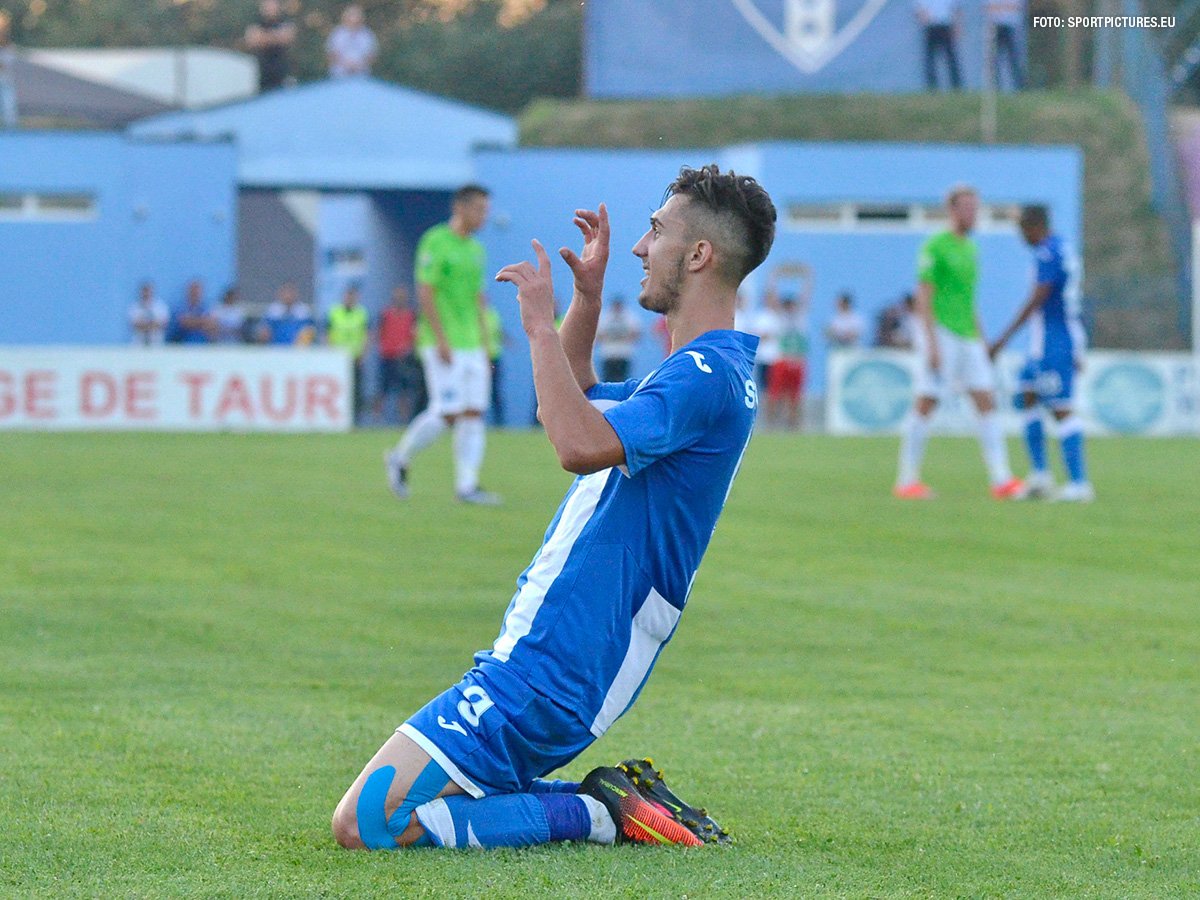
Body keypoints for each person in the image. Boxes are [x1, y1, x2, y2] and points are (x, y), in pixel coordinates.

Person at [331, 163, 775, 853]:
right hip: (560, 657)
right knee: (407, 804)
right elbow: (567, 404)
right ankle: (610, 803)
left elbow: (574, 444)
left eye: (656, 231)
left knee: (370, 823)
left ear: (698, 255)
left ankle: (600, 816)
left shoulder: (706, 376)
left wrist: (539, 326)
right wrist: (585, 303)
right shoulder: (699, 372)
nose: (638, 247)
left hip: (558, 664)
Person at [894, 184, 1023, 500]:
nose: (972, 213)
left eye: (975, 207)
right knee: (928, 400)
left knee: (986, 400)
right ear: (953, 210)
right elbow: (924, 296)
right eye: (967, 207)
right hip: (941, 332)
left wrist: (983, 340)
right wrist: (930, 343)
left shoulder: (971, 249)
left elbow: (969, 298)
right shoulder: (935, 246)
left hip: (968, 336)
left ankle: (1001, 479)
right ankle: (907, 479)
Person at [384, 185, 499, 505]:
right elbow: (425, 292)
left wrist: (487, 339)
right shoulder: (435, 241)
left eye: (486, 211)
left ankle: (467, 485)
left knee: (474, 413)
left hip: (473, 342)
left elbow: (478, 297)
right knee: (448, 413)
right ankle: (400, 456)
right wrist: (441, 338)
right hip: (441, 342)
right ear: (460, 208)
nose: (483, 217)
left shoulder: (476, 250)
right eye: (479, 209)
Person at [988, 205, 1092, 501]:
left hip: (1055, 340)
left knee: (1061, 407)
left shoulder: (1048, 253)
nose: (1021, 237)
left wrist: (1002, 339)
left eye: (1022, 230)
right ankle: (1040, 476)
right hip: (1046, 340)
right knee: (1027, 395)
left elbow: (1037, 298)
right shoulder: (1061, 247)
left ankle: (1079, 483)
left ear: (1034, 227)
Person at [762, 264, 811, 431]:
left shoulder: (801, 318)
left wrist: (806, 275)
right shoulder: (780, 318)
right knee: (774, 394)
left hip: (798, 360)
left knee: (795, 398)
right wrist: (774, 275)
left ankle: (793, 426)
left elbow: (806, 295)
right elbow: (772, 297)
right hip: (782, 359)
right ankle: (771, 424)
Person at [374, 286, 422, 425]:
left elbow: (414, 335)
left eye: (403, 296)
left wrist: (408, 348)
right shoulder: (385, 314)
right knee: (382, 390)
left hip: (403, 359)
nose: (400, 298)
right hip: (387, 357)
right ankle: (376, 418)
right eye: (398, 296)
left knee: (404, 392)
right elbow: (379, 333)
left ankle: (404, 420)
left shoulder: (411, 315)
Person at [327, 283, 370, 423]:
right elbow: (328, 334)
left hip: (356, 358)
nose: (349, 298)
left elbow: (367, 335)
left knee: (356, 391)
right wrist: (332, 354)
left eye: (352, 296)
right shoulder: (335, 312)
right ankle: (337, 418)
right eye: (348, 296)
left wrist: (363, 354)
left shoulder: (361, 313)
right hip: (338, 359)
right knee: (338, 390)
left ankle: (355, 420)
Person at [245, 0, 297, 93]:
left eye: (272, 4)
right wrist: (277, 36)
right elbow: (252, 39)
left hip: (283, 74)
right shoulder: (255, 23)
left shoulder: (285, 21)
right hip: (263, 76)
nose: (269, 7)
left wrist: (263, 37)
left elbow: (287, 37)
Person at [915, 0, 962, 91]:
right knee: (930, 59)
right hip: (931, 26)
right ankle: (932, 87)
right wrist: (923, 18)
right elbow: (918, 8)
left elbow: (956, 8)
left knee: (951, 58)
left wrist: (957, 25)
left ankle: (956, 86)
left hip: (946, 25)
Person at [595, 295, 641, 382]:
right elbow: (597, 336)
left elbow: (637, 334)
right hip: (608, 355)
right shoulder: (604, 317)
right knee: (607, 381)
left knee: (623, 380)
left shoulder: (630, 317)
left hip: (624, 355)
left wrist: (616, 336)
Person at [326, 4, 377, 78]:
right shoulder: (337, 34)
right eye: (351, 15)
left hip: (362, 75)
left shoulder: (367, 35)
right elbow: (331, 54)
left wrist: (358, 65)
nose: (354, 19)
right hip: (339, 75)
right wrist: (346, 65)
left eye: (357, 16)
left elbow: (372, 55)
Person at [985, 0, 1025, 91]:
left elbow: (1017, 7)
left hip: (1012, 27)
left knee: (1014, 59)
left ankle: (1020, 87)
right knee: (994, 60)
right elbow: (988, 8)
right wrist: (1006, 8)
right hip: (996, 27)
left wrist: (999, 8)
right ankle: (995, 88)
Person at [170, 279, 215, 344]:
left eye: (197, 291)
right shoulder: (179, 307)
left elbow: (211, 324)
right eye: (193, 290)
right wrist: (202, 322)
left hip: (203, 345)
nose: (195, 293)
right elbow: (184, 322)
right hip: (181, 345)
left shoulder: (206, 307)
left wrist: (193, 321)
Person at [128, 282, 169, 346]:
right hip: (138, 344)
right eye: (144, 291)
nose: (146, 294)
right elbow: (134, 324)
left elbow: (163, 324)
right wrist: (152, 324)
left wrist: (145, 324)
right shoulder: (134, 307)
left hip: (156, 343)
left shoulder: (160, 307)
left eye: (148, 291)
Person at [0, 11, 16, 129]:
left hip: (4, 78)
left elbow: (5, 64)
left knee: (8, 103)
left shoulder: (8, 47)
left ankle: (10, 126)